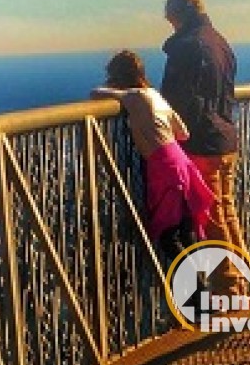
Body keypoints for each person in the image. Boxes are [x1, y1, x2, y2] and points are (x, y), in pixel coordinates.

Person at [159, 0, 250, 288]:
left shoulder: (186, 47)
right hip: (226, 137)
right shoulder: (220, 42)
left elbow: (178, 98)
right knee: (226, 212)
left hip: (203, 140)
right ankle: (249, 282)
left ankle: (229, 289)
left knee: (212, 217)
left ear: (177, 15)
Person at [92, 49, 214, 264]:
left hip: (164, 167)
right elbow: (184, 133)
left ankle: (194, 283)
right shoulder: (155, 95)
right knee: (186, 230)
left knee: (169, 236)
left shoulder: (134, 96)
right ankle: (201, 282)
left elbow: (97, 93)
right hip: (181, 162)